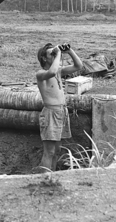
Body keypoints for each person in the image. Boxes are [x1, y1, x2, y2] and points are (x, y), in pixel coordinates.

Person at [35, 42, 83, 172]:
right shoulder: (41, 74)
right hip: (50, 113)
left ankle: (53, 176)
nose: (56, 56)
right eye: (52, 54)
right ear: (44, 58)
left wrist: (69, 50)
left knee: (57, 150)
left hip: (61, 112)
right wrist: (59, 54)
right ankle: (44, 178)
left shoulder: (58, 72)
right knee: (49, 151)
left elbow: (79, 66)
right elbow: (52, 72)